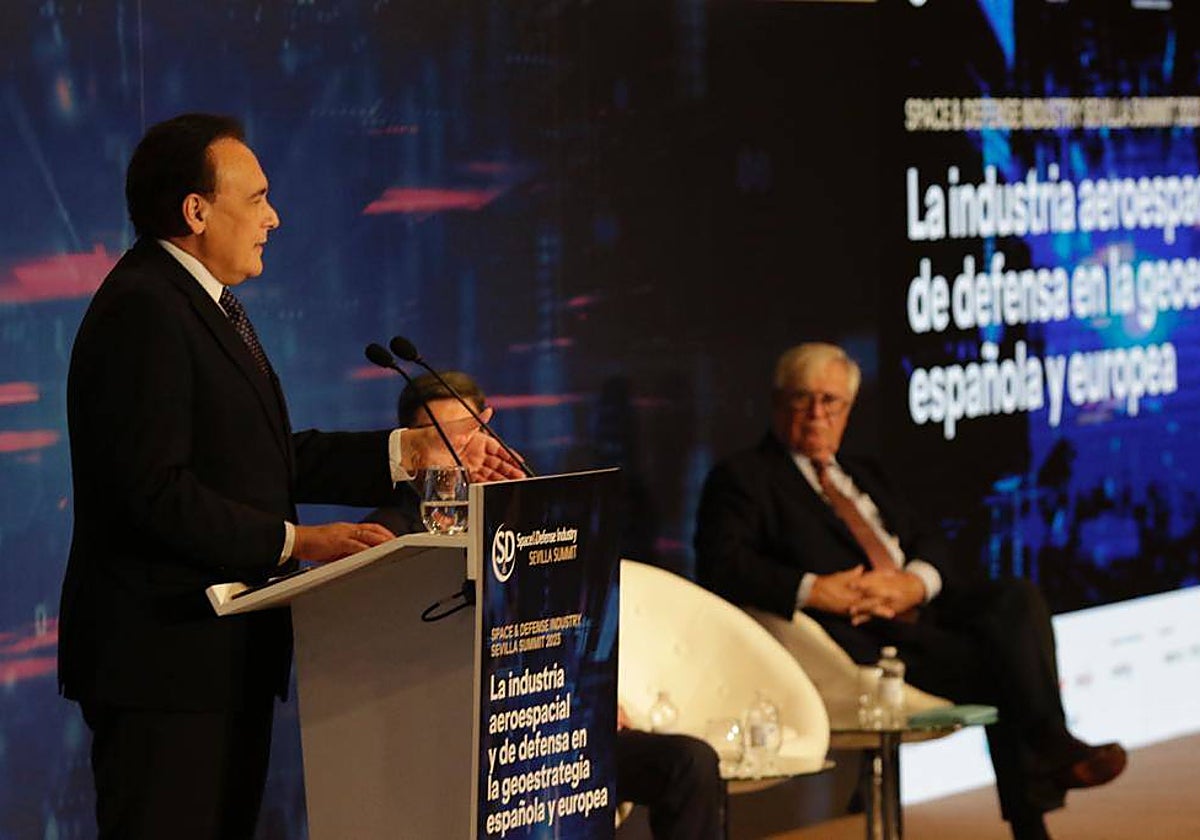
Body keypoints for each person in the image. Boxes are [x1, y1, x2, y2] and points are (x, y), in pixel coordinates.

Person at [59, 113, 522, 840]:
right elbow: (152, 490)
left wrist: (413, 451)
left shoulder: (195, 303)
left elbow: (267, 456)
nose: (273, 218)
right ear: (197, 209)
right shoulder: (143, 311)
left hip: (215, 659)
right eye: (259, 198)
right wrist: (297, 540)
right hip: (165, 666)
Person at [694, 342, 1127, 840]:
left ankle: (1049, 751)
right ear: (777, 403)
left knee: (1016, 598)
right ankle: (1044, 780)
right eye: (802, 399)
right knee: (999, 663)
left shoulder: (866, 473)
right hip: (856, 636)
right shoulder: (743, 478)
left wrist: (913, 582)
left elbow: (933, 541)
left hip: (921, 610)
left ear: (848, 410)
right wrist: (814, 590)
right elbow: (722, 565)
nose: (817, 414)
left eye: (830, 402)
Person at [365, 372, 725, 840]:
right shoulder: (391, 536)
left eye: (469, 435)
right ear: (414, 449)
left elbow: (566, 619)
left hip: (556, 719)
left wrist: (595, 695)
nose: (457, 454)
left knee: (689, 763)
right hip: (473, 736)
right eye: (441, 439)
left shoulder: (530, 515)